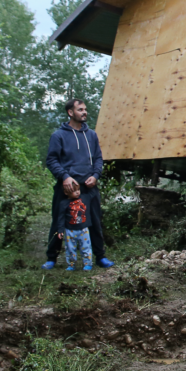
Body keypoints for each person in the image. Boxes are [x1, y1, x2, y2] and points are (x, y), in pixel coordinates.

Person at [43, 98, 114, 270]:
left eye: (85, 109)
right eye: (80, 109)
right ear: (70, 112)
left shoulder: (91, 135)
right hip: (67, 187)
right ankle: (52, 258)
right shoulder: (58, 136)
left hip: (89, 187)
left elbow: (98, 158)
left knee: (95, 221)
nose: (84, 112)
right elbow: (51, 160)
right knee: (58, 221)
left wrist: (96, 175)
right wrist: (65, 177)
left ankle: (100, 257)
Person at [57, 185, 94, 271]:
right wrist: (60, 230)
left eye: (78, 190)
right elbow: (61, 217)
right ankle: (71, 265)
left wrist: (91, 180)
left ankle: (87, 264)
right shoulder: (64, 203)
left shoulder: (85, 198)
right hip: (70, 230)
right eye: (74, 191)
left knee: (86, 247)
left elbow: (93, 192)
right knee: (70, 248)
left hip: (83, 229)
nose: (77, 192)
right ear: (66, 192)